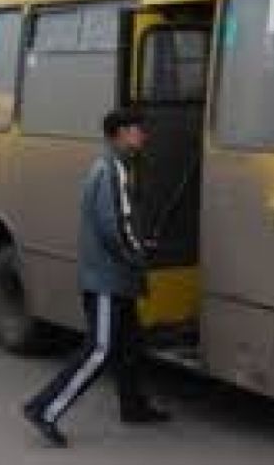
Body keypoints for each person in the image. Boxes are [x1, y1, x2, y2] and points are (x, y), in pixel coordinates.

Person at [22, 108, 169, 448]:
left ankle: (133, 406)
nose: (143, 135)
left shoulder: (116, 166)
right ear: (121, 133)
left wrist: (137, 246)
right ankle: (44, 409)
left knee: (130, 344)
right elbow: (112, 228)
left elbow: (121, 223)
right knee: (99, 350)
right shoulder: (111, 170)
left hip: (116, 277)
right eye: (138, 129)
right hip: (107, 279)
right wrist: (138, 255)